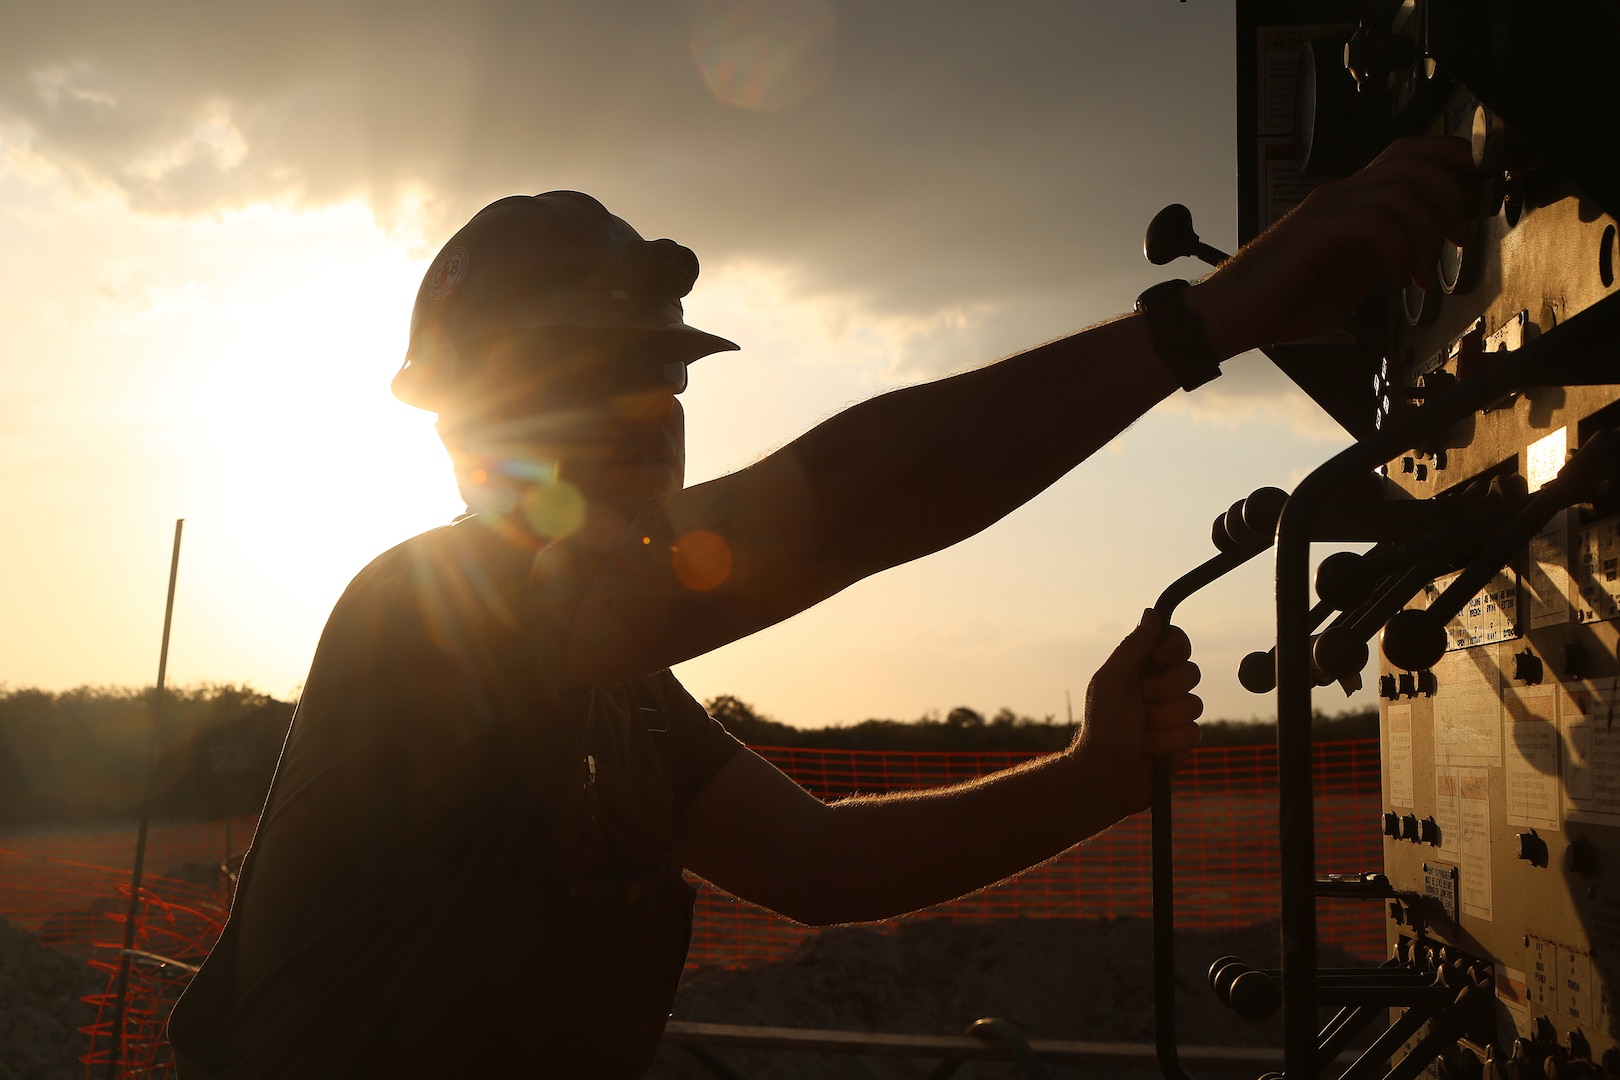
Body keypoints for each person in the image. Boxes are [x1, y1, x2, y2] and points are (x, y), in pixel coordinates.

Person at [168, 137, 1477, 1077]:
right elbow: (842, 508)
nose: (646, 414)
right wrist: (1205, 322)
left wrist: (1093, 776)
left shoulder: (611, 692)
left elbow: (821, 866)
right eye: (588, 377)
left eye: (659, 379)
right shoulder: (427, 619)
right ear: (469, 423)